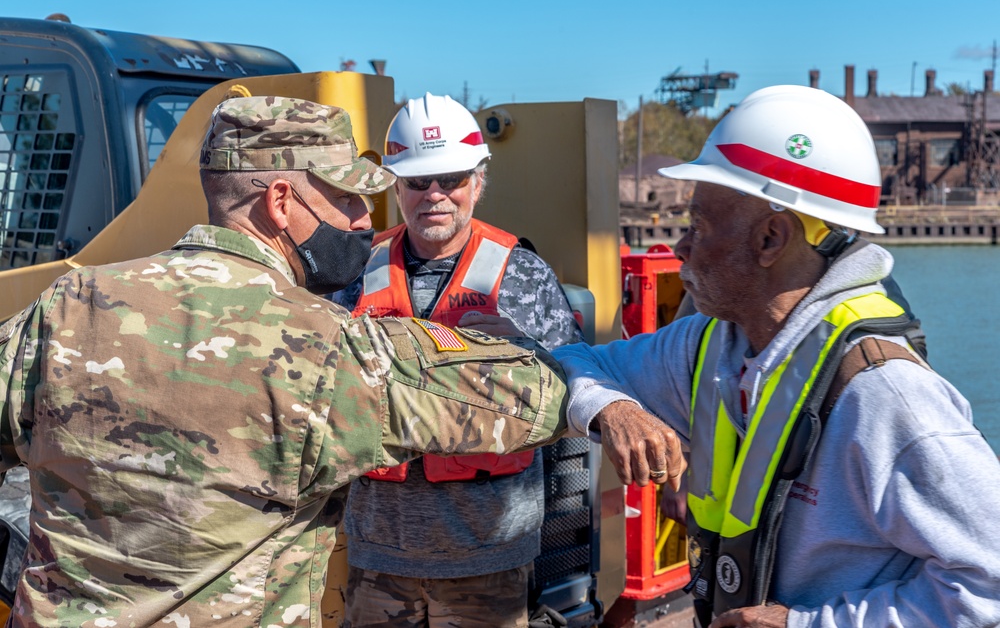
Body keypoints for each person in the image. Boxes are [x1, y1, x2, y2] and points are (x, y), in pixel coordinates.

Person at [0, 96, 575, 626]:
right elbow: (537, 396)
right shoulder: (320, 343)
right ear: (279, 202)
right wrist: (517, 355)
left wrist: (20, 571)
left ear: (476, 182)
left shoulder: (67, 307)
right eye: (347, 198)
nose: (360, 219)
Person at [554, 85, 1000, 628]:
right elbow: (576, 361)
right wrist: (612, 410)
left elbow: (988, 588)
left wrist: (803, 625)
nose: (680, 248)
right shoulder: (707, 346)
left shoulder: (886, 395)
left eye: (698, 225)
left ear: (771, 238)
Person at [332, 93, 585, 628]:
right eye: (418, 182)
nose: (435, 196)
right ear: (396, 187)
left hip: (489, 556)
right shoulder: (357, 273)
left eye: (451, 179)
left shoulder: (522, 276)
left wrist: (522, 352)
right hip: (379, 552)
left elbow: (578, 392)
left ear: (478, 181)